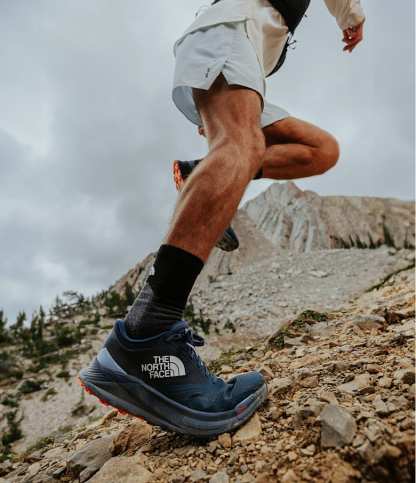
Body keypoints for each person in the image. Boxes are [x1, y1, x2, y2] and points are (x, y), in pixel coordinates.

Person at [80, 0, 365, 437]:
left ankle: (203, 171)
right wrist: (353, 20)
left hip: (244, 62)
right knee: (240, 145)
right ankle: (146, 332)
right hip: (227, 35)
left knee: (321, 150)